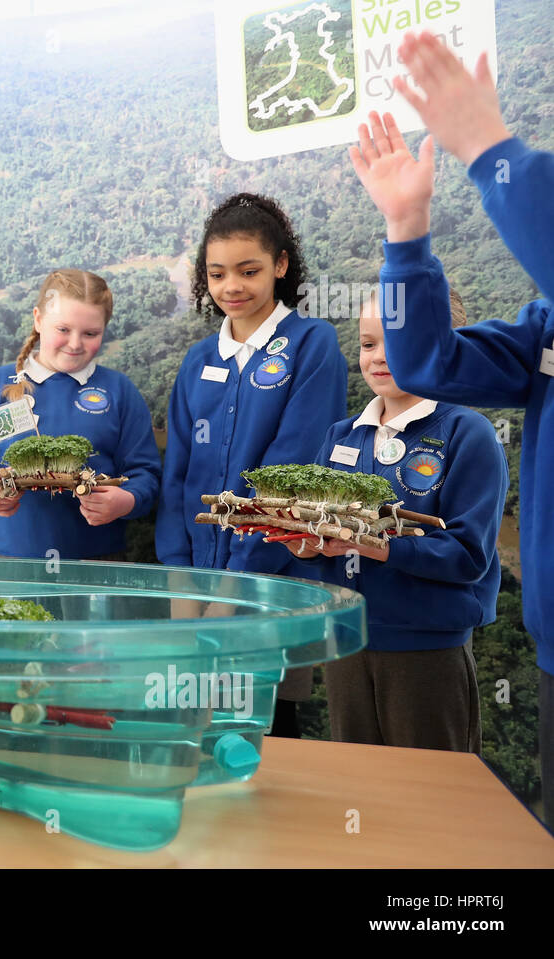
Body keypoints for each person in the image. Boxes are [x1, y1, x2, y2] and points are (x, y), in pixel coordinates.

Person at [349, 28, 554, 815]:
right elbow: (427, 361)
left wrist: (489, 150)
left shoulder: (463, 440)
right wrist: (406, 232)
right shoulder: (543, 329)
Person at [156, 192, 347, 736]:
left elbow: (294, 475)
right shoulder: (198, 361)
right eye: (217, 274)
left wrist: (235, 587)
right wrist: (181, 579)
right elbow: (178, 479)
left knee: (260, 735)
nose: (231, 287)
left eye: (248, 270)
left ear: (280, 266)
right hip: (192, 582)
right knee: (190, 732)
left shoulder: (313, 345)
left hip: (269, 583)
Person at [285, 292, 506, 751]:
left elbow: (469, 556)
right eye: (368, 344)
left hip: (425, 650)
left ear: (445, 348)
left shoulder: (468, 433)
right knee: (361, 787)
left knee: (432, 795)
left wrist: (378, 545)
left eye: (399, 343)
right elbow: (328, 543)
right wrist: (306, 547)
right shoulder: (341, 436)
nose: (378, 357)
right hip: (348, 642)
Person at [0, 269, 159, 559]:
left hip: (97, 566)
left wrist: (128, 500)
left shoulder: (119, 391)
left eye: (91, 333)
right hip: (6, 565)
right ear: (38, 319)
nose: (75, 343)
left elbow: (146, 474)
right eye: (63, 329)